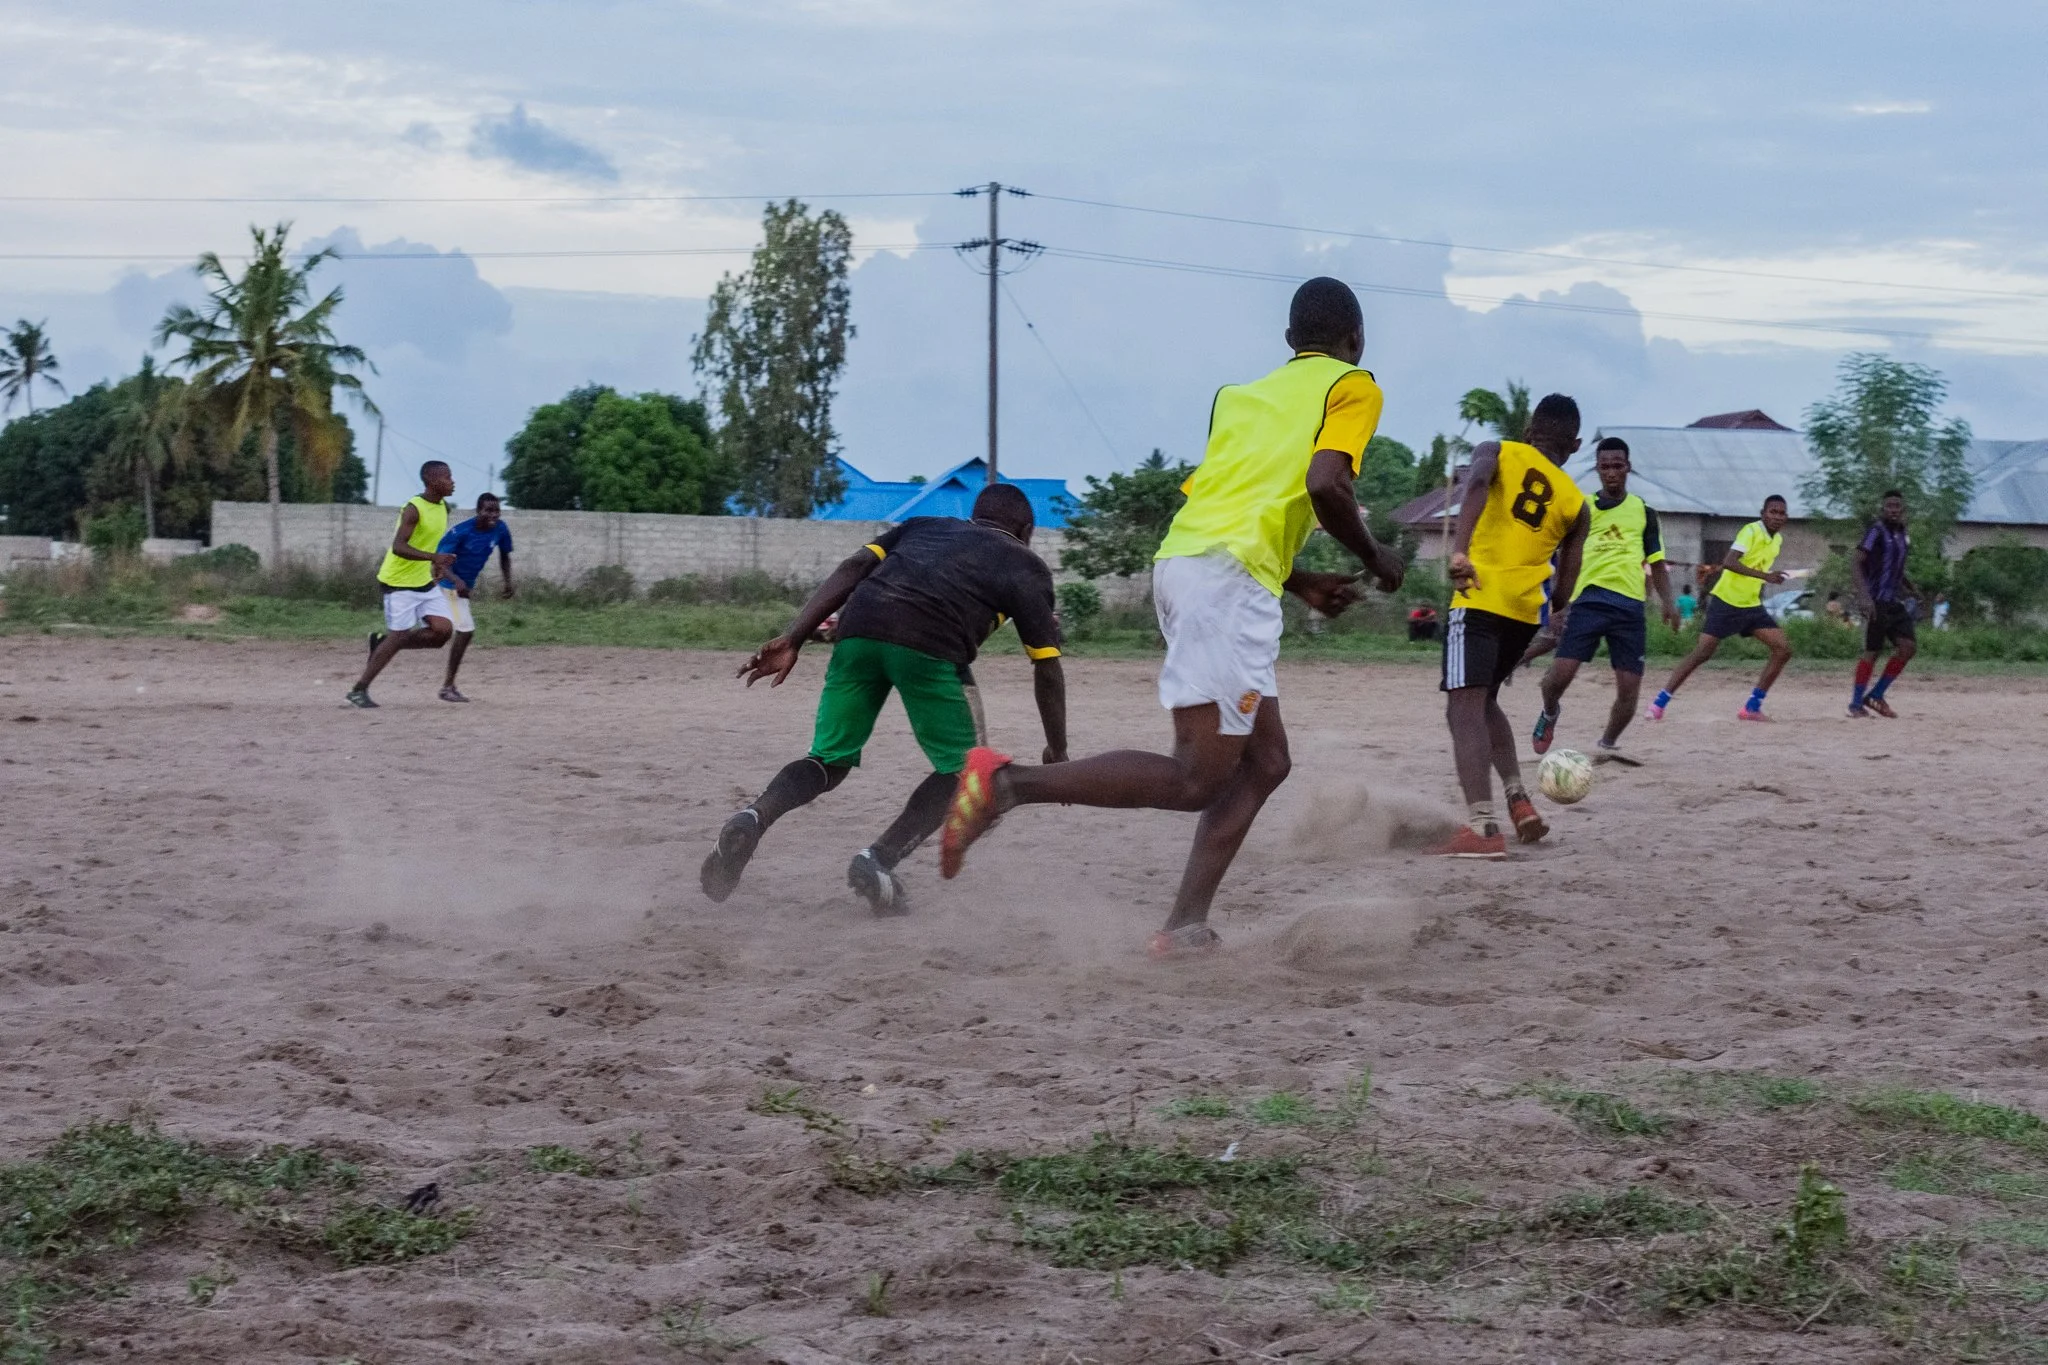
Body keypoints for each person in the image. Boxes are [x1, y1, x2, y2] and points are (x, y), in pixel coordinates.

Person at [936, 276, 1405, 955]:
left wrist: (1297, 581)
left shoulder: (1238, 399)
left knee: (1267, 760)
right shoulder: (1354, 385)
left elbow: (1228, 501)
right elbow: (1326, 482)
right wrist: (1376, 554)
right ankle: (1006, 784)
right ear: (1356, 340)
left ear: (1287, 343)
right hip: (1226, 586)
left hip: (1193, 565)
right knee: (1196, 776)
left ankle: (1185, 923)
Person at [701, 482, 1068, 916]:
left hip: (859, 631)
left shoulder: (923, 525)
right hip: (930, 646)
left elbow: (855, 566)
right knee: (968, 772)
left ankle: (753, 818)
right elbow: (1046, 666)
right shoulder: (1026, 565)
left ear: (973, 517)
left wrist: (795, 635)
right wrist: (1057, 749)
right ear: (1027, 530)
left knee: (828, 759)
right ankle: (878, 860)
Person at [1431, 394, 1590, 858]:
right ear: (1575, 445)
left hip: (1479, 596)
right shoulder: (1577, 505)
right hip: (1524, 613)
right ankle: (1519, 801)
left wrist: (1461, 551)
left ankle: (1482, 828)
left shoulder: (1497, 450)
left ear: (1528, 429)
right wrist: (1554, 614)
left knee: (1462, 708)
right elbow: (1565, 590)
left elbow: (1477, 483)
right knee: (1486, 701)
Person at [1530, 436, 1681, 765]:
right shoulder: (1581, 508)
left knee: (1629, 690)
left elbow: (1657, 564)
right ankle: (1550, 712)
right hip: (1587, 602)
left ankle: (1607, 744)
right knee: (1559, 677)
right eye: (1605, 466)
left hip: (1629, 608)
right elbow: (1563, 558)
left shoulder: (1644, 512)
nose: (1611, 472)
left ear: (1628, 468)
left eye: (1618, 465)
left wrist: (1669, 602)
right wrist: (1558, 604)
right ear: (1597, 470)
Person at [1647, 495, 1793, 722]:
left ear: (1786, 517)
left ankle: (1752, 707)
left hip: (1751, 605)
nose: (1776, 516)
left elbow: (1756, 567)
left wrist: (1769, 578)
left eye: (1781, 513)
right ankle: (1659, 702)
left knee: (1783, 650)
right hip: (1726, 602)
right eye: (1772, 512)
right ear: (1763, 513)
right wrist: (1766, 576)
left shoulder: (1777, 541)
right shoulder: (1751, 531)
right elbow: (1730, 562)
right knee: (1702, 653)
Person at [346, 462, 458, 709]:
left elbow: (430, 542)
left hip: (424, 582)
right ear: (431, 480)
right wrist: (433, 559)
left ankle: (383, 643)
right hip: (398, 583)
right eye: (448, 477)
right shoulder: (413, 509)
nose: (453, 482)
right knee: (399, 634)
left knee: (442, 632)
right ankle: (359, 690)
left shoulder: (443, 507)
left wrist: (437, 565)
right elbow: (399, 546)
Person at [435, 492, 515, 703]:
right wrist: (456, 581)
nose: (494, 515)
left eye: (497, 510)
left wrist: (507, 581)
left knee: (435, 636)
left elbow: (505, 555)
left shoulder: (500, 529)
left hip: (461, 588)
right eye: (488, 510)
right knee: (465, 630)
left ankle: (386, 642)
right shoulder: (460, 532)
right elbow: (440, 563)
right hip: (446, 587)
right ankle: (448, 687)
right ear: (478, 511)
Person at [1850, 490, 1920, 718]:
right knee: (1873, 651)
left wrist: (1909, 585)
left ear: (1903, 510)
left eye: (1897, 506)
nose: (1893, 510)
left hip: (1893, 601)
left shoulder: (1902, 534)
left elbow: (1895, 566)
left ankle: (1876, 694)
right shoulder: (1875, 531)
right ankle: (1855, 703)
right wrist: (1863, 596)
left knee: (1908, 647)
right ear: (1883, 509)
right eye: (1889, 506)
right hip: (1876, 600)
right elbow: (1856, 562)